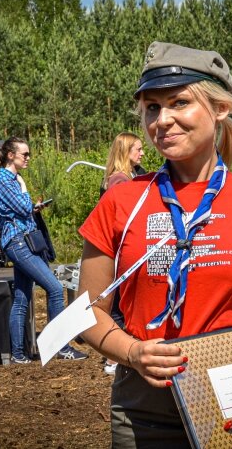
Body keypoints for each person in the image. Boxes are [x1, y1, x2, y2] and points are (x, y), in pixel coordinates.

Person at [78, 42, 232, 448]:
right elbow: (86, 312)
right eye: (152, 108)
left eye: (179, 102)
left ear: (220, 108)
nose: (163, 120)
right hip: (145, 414)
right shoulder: (120, 202)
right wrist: (132, 352)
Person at [0, 136, 88, 364]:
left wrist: (32, 207)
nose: (28, 158)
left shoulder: (10, 180)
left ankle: (18, 354)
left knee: (22, 298)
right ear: (10, 155)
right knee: (55, 289)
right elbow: (23, 207)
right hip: (18, 243)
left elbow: (22, 210)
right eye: (24, 154)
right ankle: (61, 347)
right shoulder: (6, 180)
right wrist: (25, 190)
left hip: (21, 241)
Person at [99, 132, 145, 375]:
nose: (142, 153)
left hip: (124, 250)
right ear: (126, 152)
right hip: (121, 251)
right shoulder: (120, 181)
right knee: (120, 304)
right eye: (138, 149)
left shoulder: (129, 177)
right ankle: (114, 358)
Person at [100, 132, 145, 197]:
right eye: (139, 150)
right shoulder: (118, 180)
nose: (142, 153)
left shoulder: (138, 171)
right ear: (126, 151)